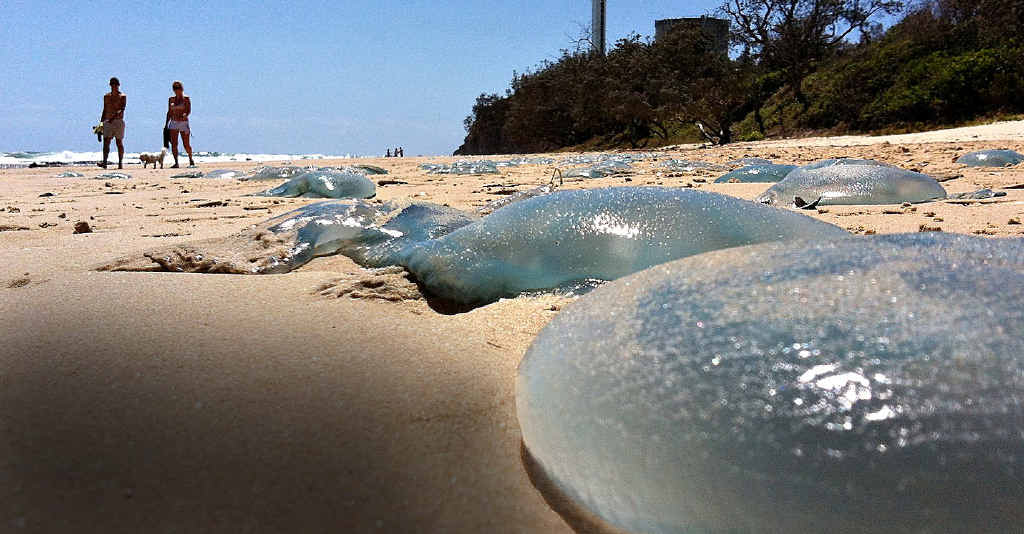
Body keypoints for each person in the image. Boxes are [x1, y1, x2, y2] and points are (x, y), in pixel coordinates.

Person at [166, 80, 194, 168]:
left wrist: (184, 115)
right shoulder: (171, 99)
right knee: (174, 143)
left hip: (183, 122)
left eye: (178, 88)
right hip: (174, 122)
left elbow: (188, 110)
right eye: (175, 88)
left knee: (186, 144)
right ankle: (176, 162)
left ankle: (190, 158)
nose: (176, 90)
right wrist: (166, 123)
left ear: (182, 88)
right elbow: (169, 112)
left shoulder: (186, 98)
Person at [99, 77, 126, 169]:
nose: (114, 86)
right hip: (107, 121)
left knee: (119, 142)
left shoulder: (122, 96)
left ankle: (120, 162)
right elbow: (105, 109)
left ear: (118, 85)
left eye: (115, 84)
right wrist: (101, 123)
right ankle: (105, 162)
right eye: (112, 84)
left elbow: (121, 109)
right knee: (106, 142)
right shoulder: (106, 96)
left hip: (118, 121)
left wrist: (113, 118)